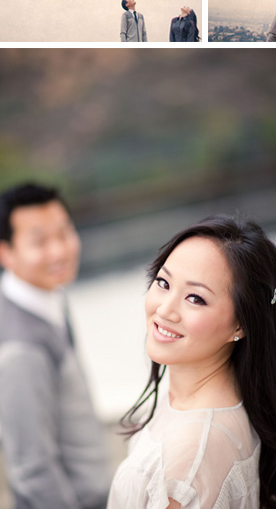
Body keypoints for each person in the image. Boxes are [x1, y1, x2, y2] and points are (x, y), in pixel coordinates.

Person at [109, 215, 276, 509]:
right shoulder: (229, 397)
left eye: (195, 298)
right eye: (163, 282)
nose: (165, 309)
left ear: (241, 324)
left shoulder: (189, 458)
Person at [0, 183, 112, 509]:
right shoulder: (18, 349)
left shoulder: (49, 297)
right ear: (5, 252)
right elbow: (33, 472)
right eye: (39, 241)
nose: (59, 251)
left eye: (64, 234)